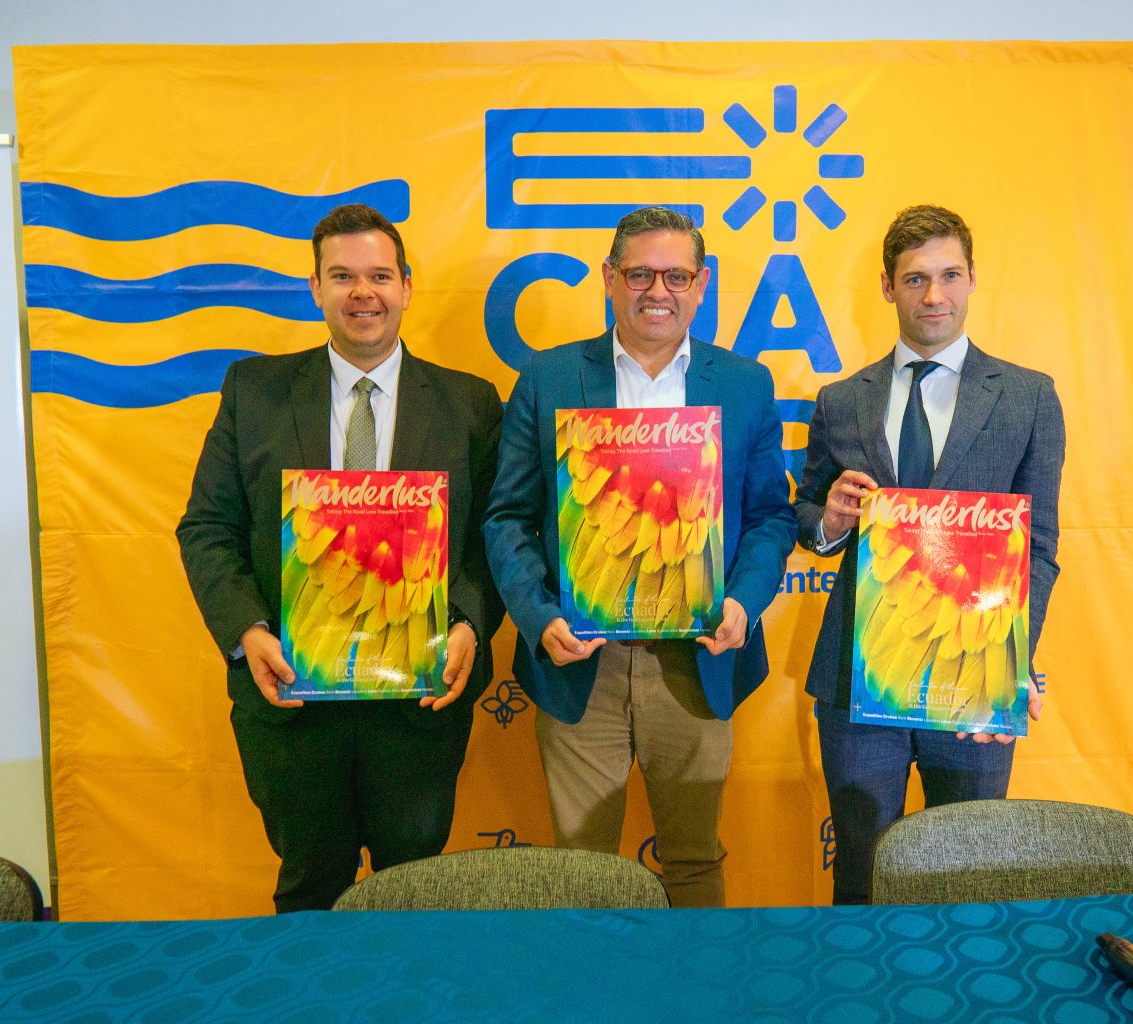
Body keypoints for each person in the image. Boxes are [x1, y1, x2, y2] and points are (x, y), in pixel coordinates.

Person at [176, 203, 502, 912]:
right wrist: (247, 632)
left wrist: (469, 624)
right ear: (316, 287)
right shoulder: (254, 392)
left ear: (407, 286)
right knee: (309, 891)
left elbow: (491, 537)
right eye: (343, 276)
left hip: (419, 701)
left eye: (379, 276)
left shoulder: (469, 403)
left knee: (412, 895)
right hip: (292, 697)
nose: (363, 293)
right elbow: (206, 528)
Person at [484, 206, 796, 907]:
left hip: (698, 659)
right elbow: (507, 517)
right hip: (579, 662)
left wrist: (743, 603)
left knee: (694, 862)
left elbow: (771, 518)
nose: (659, 291)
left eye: (677, 276)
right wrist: (539, 617)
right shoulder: (549, 377)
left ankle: (695, 979)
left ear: (702, 284)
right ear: (608, 278)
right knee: (582, 875)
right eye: (640, 275)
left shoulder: (744, 384)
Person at [793, 204, 1065, 905]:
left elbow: (1038, 546)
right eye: (915, 279)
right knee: (862, 874)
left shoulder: (1029, 398)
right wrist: (828, 520)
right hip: (858, 680)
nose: (934, 295)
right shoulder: (842, 400)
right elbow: (808, 517)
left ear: (972, 279)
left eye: (949, 276)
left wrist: (1011, 656)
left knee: (968, 880)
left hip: (974, 673)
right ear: (888, 286)